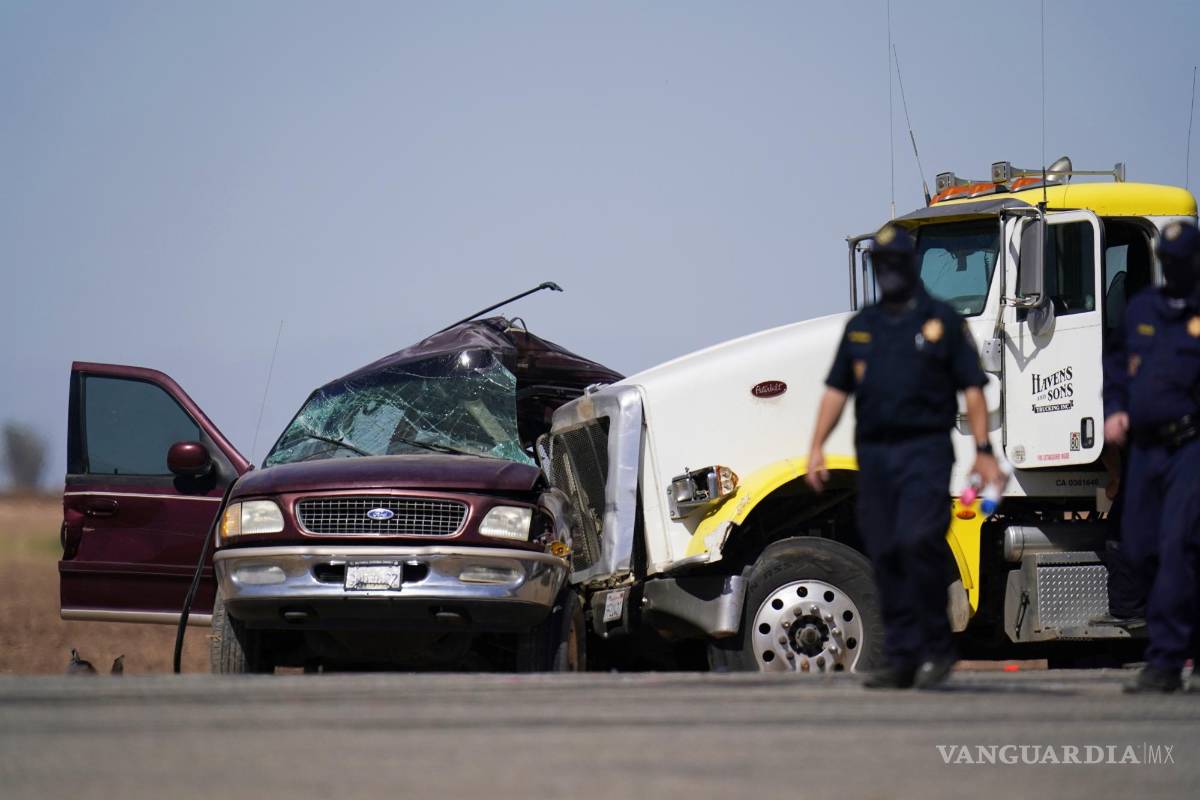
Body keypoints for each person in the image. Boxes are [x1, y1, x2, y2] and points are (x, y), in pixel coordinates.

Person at [806, 223, 1000, 690]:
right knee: (887, 551)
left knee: (919, 543)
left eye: (896, 263)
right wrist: (815, 446)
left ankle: (936, 650)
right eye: (881, 264)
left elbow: (973, 388)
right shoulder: (862, 327)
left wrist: (983, 450)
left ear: (910, 265)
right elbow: (835, 391)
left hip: (924, 453)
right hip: (875, 457)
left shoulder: (941, 322)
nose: (888, 272)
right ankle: (903, 657)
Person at [1103, 219, 1200, 693]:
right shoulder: (1143, 309)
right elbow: (1117, 366)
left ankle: (1164, 662)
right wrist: (1115, 408)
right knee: (1138, 549)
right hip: (1145, 450)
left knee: (1178, 545)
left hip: (1190, 447)